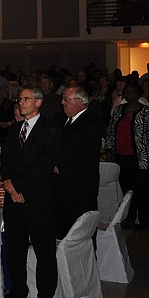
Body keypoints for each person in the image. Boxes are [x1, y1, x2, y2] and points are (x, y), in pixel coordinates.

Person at [1, 88, 60, 298]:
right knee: (15, 247)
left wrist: (18, 186)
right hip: (13, 198)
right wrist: (9, 185)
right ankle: (18, 287)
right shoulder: (15, 130)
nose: (21, 103)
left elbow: (45, 166)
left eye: (26, 99)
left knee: (44, 250)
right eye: (20, 99)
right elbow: (5, 162)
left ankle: (45, 297)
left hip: (37, 199)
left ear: (38, 102)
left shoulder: (50, 130)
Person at [104, 82, 149, 229]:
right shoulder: (118, 110)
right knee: (127, 190)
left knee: (144, 189)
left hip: (142, 158)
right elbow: (110, 132)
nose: (129, 94)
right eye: (126, 92)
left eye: (132, 92)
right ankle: (129, 217)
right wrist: (109, 151)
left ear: (139, 93)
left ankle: (144, 220)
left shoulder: (147, 112)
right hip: (121, 157)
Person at [54, 87, 105, 238]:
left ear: (78, 102)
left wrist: (59, 164)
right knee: (63, 227)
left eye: (66, 100)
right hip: (62, 184)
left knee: (81, 228)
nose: (62, 103)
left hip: (80, 185)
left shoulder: (92, 121)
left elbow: (85, 153)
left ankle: (86, 259)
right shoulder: (62, 119)